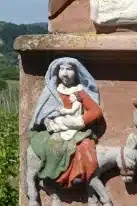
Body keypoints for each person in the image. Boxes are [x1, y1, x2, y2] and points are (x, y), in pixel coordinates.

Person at [28, 57, 103, 189]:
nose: (65, 73)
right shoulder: (51, 92)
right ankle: (51, 179)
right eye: (61, 69)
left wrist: (77, 122)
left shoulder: (79, 92)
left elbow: (95, 111)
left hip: (76, 130)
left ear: (77, 72)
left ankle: (77, 177)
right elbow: (43, 113)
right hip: (56, 129)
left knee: (85, 147)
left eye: (69, 69)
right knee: (51, 147)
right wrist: (50, 123)